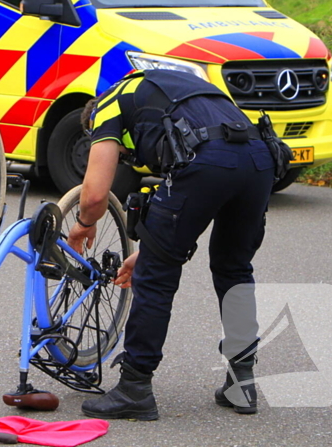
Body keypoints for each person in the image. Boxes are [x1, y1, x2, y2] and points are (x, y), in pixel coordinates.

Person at [67, 68, 275, 421]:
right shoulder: (172, 88)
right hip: (259, 159)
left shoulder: (107, 106)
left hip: (206, 160)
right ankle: (243, 383)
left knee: (156, 277)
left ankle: (134, 387)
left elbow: (95, 194)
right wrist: (149, 248)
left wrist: (84, 225)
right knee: (234, 268)